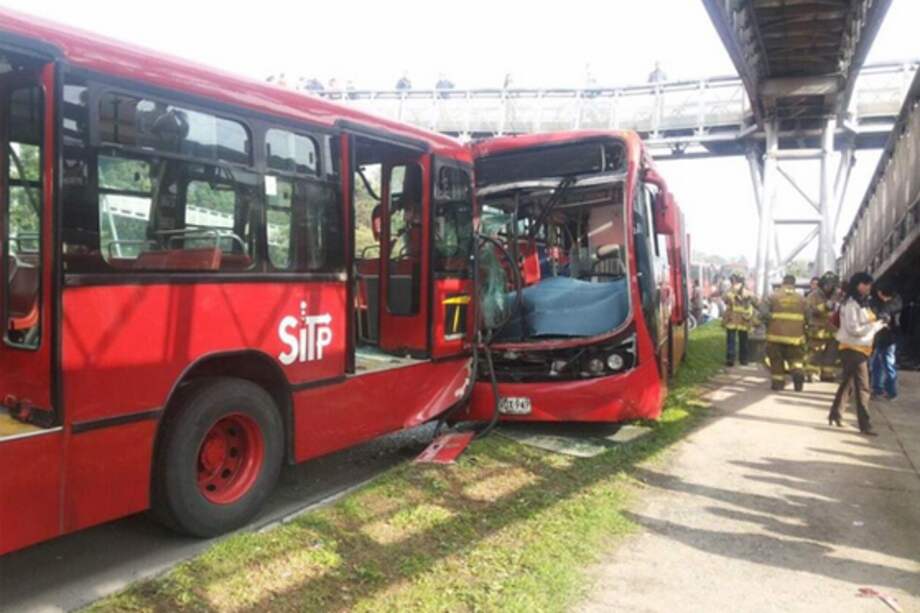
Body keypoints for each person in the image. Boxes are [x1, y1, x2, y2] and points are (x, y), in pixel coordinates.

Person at [828, 272, 887, 434]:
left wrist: (878, 322)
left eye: (870, 284)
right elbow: (853, 329)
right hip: (854, 348)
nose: (869, 287)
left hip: (857, 348)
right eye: (866, 284)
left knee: (847, 383)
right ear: (857, 284)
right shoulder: (851, 304)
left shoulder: (861, 303)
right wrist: (876, 326)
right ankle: (865, 424)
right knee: (863, 387)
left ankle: (835, 415)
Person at [763, 274, 807, 391]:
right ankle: (798, 373)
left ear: (783, 282)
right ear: (794, 284)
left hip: (775, 336)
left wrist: (770, 321)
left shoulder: (773, 296)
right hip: (796, 337)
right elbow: (809, 316)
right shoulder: (802, 299)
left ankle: (778, 384)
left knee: (776, 360)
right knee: (796, 359)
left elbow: (763, 313)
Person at [805, 271, 841, 382]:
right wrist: (825, 306)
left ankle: (827, 374)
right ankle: (812, 373)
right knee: (815, 353)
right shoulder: (813, 296)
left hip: (833, 330)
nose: (829, 287)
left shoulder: (838, 295)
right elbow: (809, 311)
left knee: (831, 354)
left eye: (832, 285)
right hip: (818, 330)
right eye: (827, 284)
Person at [870, 280, 902, 400]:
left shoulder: (891, 305)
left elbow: (884, 316)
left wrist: (880, 318)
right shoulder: (894, 301)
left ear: (881, 293)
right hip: (883, 338)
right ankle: (877, 389)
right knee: (877, 364)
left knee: (887, 365)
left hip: (889, 339)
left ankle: (890, 391)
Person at [722, 272, 756, 367]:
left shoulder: (730, 290)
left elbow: (724, 299)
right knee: (743, 340)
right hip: (744, 319)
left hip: (732, 318)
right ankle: (744, 359)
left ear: (734, 280)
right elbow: (754, 300)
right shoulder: (747, 290)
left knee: (731, 340)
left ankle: (730, 359)